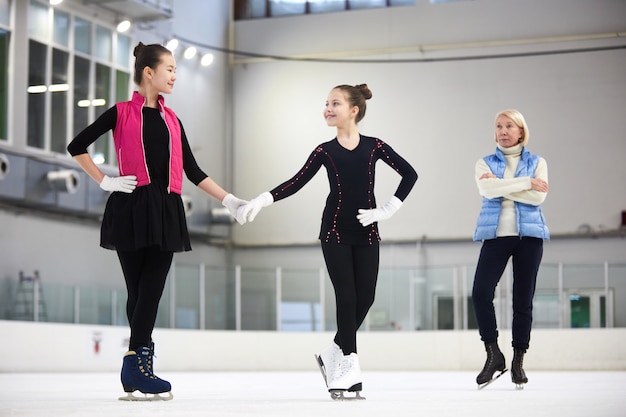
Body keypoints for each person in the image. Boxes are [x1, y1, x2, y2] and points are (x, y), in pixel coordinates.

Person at [67, 42, 247, 401]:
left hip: (166, 208)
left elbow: (192, 170)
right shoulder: (119, 113)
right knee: (138, 292)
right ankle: (138, 365)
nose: (175, 76)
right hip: (130, 205)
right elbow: (77, 145)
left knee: (151, 289)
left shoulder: (172, 120)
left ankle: (135, 364)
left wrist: (229, 200)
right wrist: (104, 180)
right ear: (149, 72)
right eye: (170, 69)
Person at [239, 84, 417, 399]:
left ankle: (334, 349)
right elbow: (296, 182)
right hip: (334, 231)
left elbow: (409, 174)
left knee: (367, 298)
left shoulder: (375, 147)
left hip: (367, 231)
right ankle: (348, 364)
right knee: (347, 297)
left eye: (335, 103)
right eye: (326, 103)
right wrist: (262, 199)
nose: (328, 108)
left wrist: (386, 210)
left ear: (354, 110)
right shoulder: (325, 151)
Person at [471, 109, 549, 390]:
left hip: (529, 236)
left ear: (521, 132)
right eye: (499, 126)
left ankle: (518, 360)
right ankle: (493, 354)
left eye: (509, 126)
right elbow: (486, 191)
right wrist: (526, 183)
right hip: (495, 236)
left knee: (522, 300)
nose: (503, 131)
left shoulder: (538, 162)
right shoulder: (484, 163)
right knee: (480, 293)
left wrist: (501, 186)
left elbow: (539, 197)